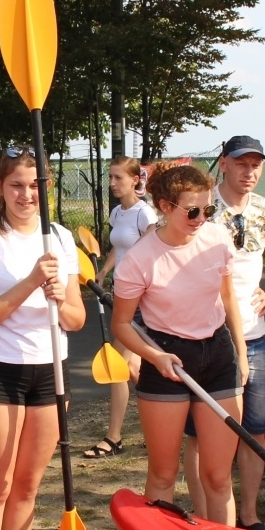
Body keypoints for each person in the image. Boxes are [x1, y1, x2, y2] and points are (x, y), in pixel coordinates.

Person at [0, 147, 85, 530]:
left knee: (27, 489)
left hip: (50, 370)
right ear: (0, 187)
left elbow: (76, 320)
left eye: (35, 185)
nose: (27, 195)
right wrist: (30, 282)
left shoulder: (60, 237)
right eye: (17, 185)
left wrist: (61, 296)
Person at [111, 164, 247, 526]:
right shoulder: (140, 259)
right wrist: (154, 357)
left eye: (208, 209)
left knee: (219, 477)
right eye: (192, 210)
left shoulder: (217, 238)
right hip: (166, 358)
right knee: (163, 475)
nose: (201, 218)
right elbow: (122, 324)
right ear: (165, 206)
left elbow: (229, 299)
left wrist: (242, 353)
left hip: (217, 354)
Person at [182, 136, 265, 530]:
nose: (249, 171)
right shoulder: (202, 206)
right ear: (224, 164)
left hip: (253, 336)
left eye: (256, 164)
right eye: (241, 163)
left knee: (254, 428)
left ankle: (248, 516)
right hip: (205, 336)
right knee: (201, 430)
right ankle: (205, 515)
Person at [86, 157, 157, 458]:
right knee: (130, 367)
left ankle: (114, 437)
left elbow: (155, 252)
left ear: (134, 180)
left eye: (117, 178)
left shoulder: (145, 213)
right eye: (110, 177)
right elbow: (120, 246)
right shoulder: (118, 212)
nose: (112, 183)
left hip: (141, 299)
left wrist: (138, 286)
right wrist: (103, 272)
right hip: (123, 296)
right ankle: (166, 411)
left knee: (116, 364)